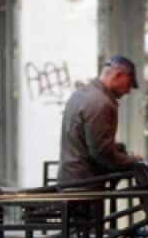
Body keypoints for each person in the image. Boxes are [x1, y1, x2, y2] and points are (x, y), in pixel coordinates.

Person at [59, 55, 141, 186]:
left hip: (73, 178)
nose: (128, 91)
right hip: (85, 184)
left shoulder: (82, 93)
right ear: (119, 75)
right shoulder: (101, 102)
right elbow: (101, 152)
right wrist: (131, 161)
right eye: (129, 84)